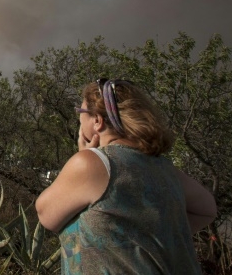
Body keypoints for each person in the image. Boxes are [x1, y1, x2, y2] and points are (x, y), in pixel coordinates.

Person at [36, 79, 217, 274]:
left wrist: (84, 157)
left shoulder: (91, 163)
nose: (78, 119)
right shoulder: (164, 167)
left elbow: (46, 214)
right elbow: (207, 209)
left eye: (80, 113)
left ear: (97, 120)